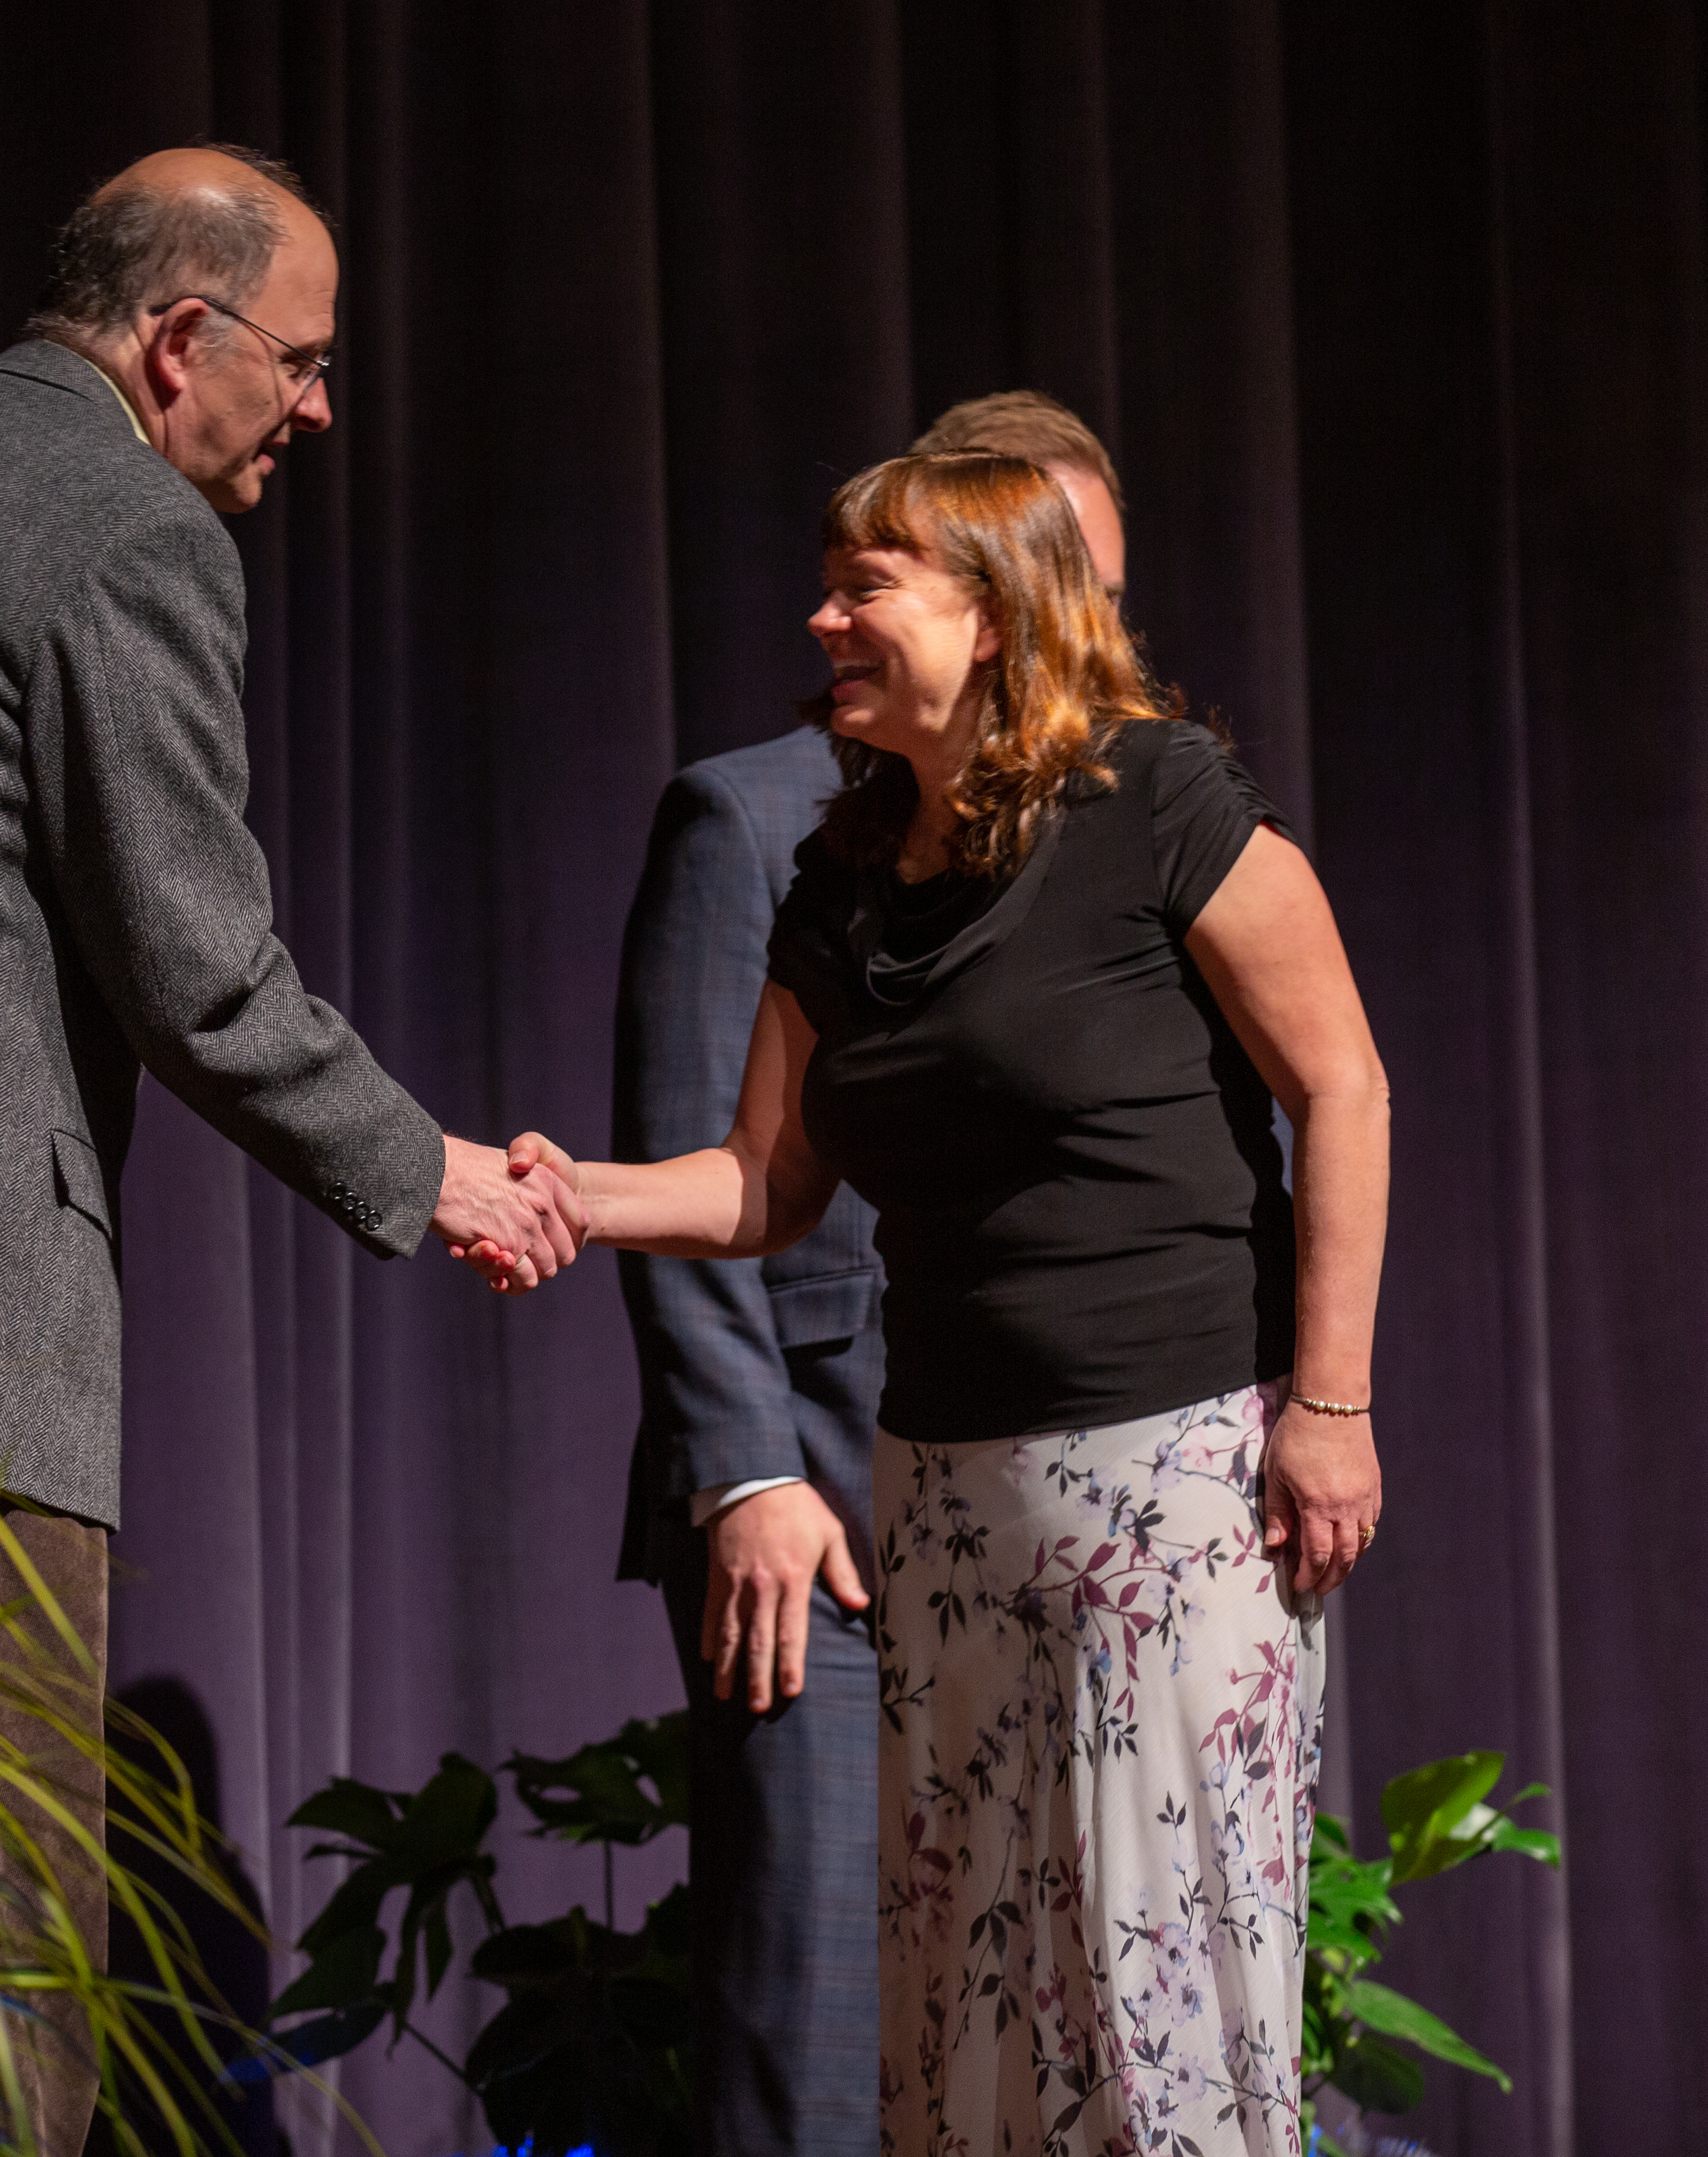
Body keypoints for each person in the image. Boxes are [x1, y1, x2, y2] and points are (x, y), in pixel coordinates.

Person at [0, 143, 581, 2150]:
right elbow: (194, 964)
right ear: (181, 335)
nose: (321, 405)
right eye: (302, 358)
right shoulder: (123, 530)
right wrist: (428, 1166)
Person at [526, 450, 1385, 2157]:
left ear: (988, 621)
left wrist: (1334, 1403)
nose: (821, 617)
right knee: (970, 2022)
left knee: (1156, 2014)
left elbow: (1341, 1085)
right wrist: (557, 1193)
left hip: (1169, 1492)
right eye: (829, 582)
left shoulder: (1159, 795)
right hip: (944, 1511)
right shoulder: (844, 876)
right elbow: (763, 1187)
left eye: (868, 587)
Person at [610, 392, 1130, 2156]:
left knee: (1073, 2036)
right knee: (820, 2044)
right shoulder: (753, 825)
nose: (1094, 637)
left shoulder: (1149, 835)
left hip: (1081, 1510)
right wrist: (742, 1471)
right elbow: (718, 1171)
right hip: (822, 1524)